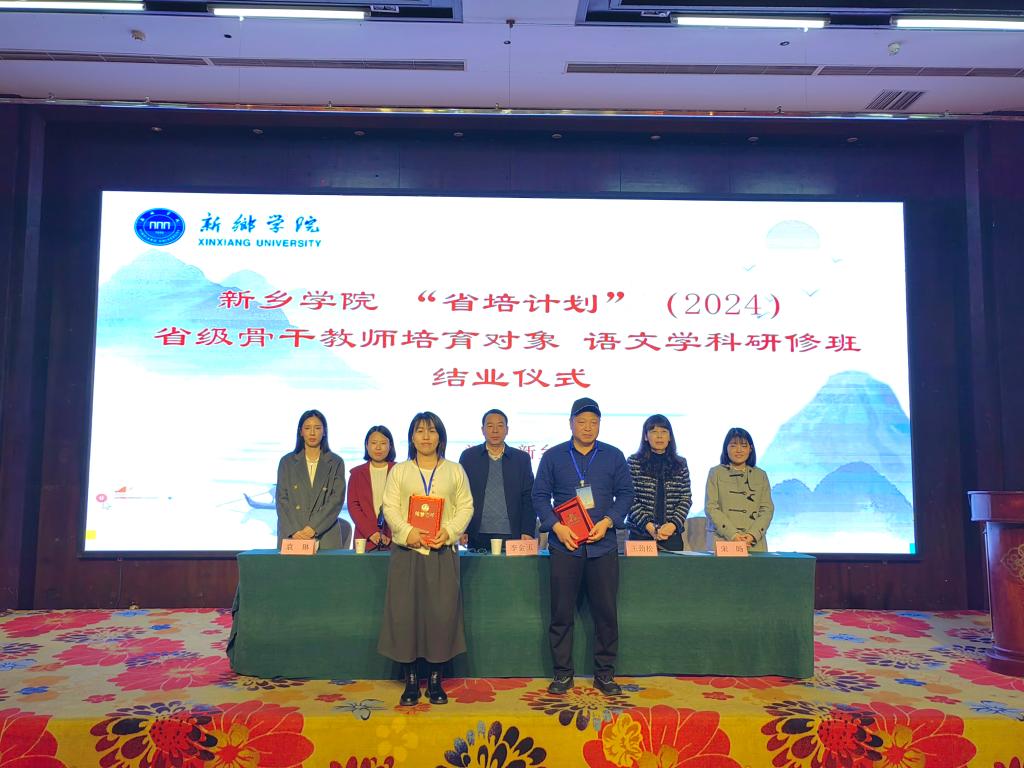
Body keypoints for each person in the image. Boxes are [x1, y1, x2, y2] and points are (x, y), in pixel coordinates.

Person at [533, 397, 633, 696]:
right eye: (582, 422)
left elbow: (626, 494)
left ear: (600, 425)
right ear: (571, 423)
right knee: (561, 613)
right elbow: (540, 496)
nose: (588, 427)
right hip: (565, 546)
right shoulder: (553, 456)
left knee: (606, 614)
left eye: (594, 422)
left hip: (602, 546)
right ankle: (563, 674)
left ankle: (605, 674)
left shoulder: (614, 456)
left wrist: (609, 521)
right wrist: (557, 527)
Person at [377, 412, 473, 707]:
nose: (426, 437)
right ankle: (410, 681)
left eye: (432, 431)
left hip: (442, 552)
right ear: (412, 437)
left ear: (440, 436)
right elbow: (390, 507)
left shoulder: (455, 470)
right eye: (420, 431)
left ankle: (434, 680)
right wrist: (408, 532)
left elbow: (466, 507)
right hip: (408, 553)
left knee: (440, 615)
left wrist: (450, 531)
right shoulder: (400, 471)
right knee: (405, 614)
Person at [458, 408, 536, 551]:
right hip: (476, 532)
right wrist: (461, 528)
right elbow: (460, 495)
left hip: (513, 533)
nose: (495, 430)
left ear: (507, 430)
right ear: (482, 430)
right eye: (490, 426)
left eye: (500, 426)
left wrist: (527, 530)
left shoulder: (521, 459)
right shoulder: (469, 457)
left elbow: (529, 497)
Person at [276, 409, 346, 550]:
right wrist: (295, 530)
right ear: (300, 432)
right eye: (307, 428)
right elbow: (282, 500)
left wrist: (313, 527)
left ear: (324, 431)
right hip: (293, 534)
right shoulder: (287, 462)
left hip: (325, 534)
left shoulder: (336, 462)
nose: (312, 433)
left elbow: (336, 500)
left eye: (317, 428)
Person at [625, 414, 691, 552]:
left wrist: (672, 525)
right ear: (645, 436)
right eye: (654, 431)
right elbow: (629, 498)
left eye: (664, 432)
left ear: (670, 436)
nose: (659, 436)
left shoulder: (680, 463)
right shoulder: (633, 462)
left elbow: (685, 498)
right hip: (640, 534)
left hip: (671, 535)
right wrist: (649, 526)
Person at [705, 427, 774, 552]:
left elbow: (767, 509)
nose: (738, 450)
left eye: (743, 446)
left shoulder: (761, 475)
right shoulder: (715, 473)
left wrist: (752, 535)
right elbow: (711, 507)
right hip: (723, 540)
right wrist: (733, 535)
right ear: (726, 448)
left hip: (753, 543)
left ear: (750, 449)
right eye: (733, 445)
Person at [347, 425, 396, 551]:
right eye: (374, 443)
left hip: (394, 537)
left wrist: (391, 533)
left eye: (383, 443)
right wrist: (371, 532)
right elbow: (353, 507)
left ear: (390, 446)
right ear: (366, 445)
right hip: (365, 538)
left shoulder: (399, 470)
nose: (378, 447)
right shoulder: (356, 474)